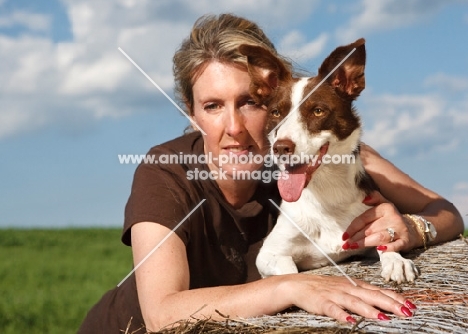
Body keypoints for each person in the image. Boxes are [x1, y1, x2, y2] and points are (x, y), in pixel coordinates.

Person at [78, 13, 464, 333]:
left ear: (273, 94)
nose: (234, 127)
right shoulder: (164, 173)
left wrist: (414, 229)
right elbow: (162, 314)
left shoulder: (330, 154)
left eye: (248, 102)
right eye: (213, 106)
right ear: (191, 114)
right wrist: (292, 286)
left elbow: (447, 212)